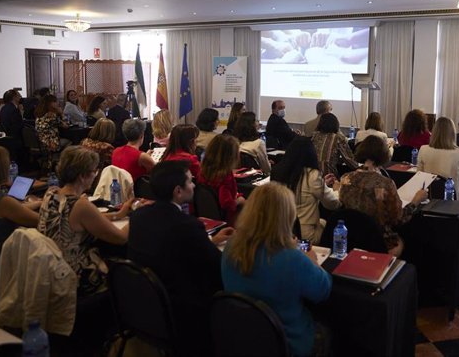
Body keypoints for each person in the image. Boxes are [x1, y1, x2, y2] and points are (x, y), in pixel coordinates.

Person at [128, 161, 234, 356]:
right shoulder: (186, 226)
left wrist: (208, 241)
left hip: (145, 303)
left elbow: (173, 249)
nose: (194, 184)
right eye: (190, 181)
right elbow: (216, 268)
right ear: (178, 191)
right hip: (185, 310)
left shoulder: (139, 216)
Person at [221, 182, 332, 357]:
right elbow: (323, 291)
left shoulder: (231, 247)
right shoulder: (293, 259)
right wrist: (312, 261)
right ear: (286, 216)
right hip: (289, 344)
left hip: (242, 339)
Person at [37, 146, 130, 295]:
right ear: (82, 176)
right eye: (94, 171)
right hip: (74, 277)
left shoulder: (51, 194)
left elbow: (89, 219)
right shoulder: (81, 205)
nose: (95, 176)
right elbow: (121, 238)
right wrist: (137, 216)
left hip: (49, 269)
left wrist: (118, 215)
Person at [339, 136, 427, 257]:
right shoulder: (385, 184)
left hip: (352, 238)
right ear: (383, 156)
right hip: (380, 241)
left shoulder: (345, 179)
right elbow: (398, 220)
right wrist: (416, 201)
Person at [271, 136, 341, 244]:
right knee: (331, 226)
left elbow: (303, 188)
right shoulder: (312, 175)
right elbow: (332, 204)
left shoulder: (277, 172)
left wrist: (322, 184)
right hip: (305, 237)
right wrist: (338, 190)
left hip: (281, 232)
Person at [197, 134, 245, 225]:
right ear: (231, 157)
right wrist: (239, 201)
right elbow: (227, 203)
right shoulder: (225, 177)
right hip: (229, 218)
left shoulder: (203, 171)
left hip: (210, 217)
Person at [417, 117, 459, 200]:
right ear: (452, 133)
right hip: (452, 201)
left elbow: (419, 177)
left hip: (428, 198)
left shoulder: (423, 149)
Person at [311, 113, 359, 177]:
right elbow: (350, 161)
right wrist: (362, 167)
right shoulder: (338, 138)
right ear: (336, 124)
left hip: (313, 176)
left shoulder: (315, 136)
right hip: (330, 177)